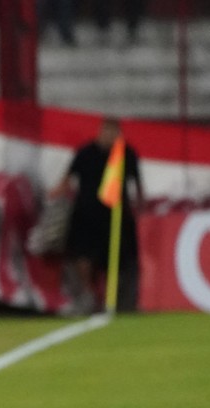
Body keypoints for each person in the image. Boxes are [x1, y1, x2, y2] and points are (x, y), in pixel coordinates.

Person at [52, 117, 143, 313]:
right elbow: (68, 178)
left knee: (118, 260)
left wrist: (141, 206)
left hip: (116, 216)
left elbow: (137, 184)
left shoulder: (126, 154)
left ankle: (114, 299)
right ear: (100, 132)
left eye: (114, 133)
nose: (110, 136)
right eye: (107, 132)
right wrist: (55, 195)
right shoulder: (85, 153)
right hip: (86, 214)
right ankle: (87, 294)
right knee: (82, 255)